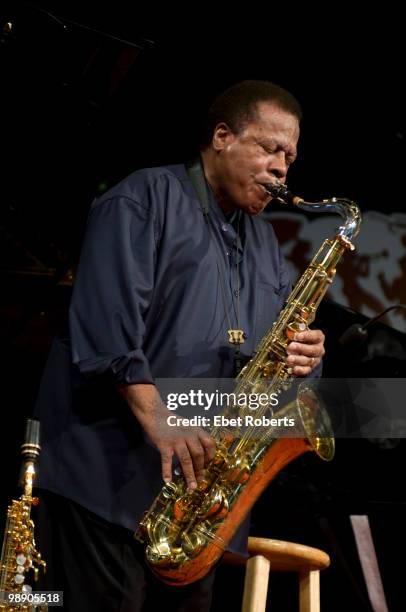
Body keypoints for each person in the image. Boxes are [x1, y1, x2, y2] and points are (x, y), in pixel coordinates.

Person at [34, 80, 325, 612]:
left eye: (290, 155)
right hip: (107, 484)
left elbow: (271, 367)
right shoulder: (142, 198)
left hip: (195, 511)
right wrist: (156, 410)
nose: (282, 167)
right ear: (221, 137)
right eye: (269, 147)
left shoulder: (264, 243)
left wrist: (304, 358)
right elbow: (104, 323)